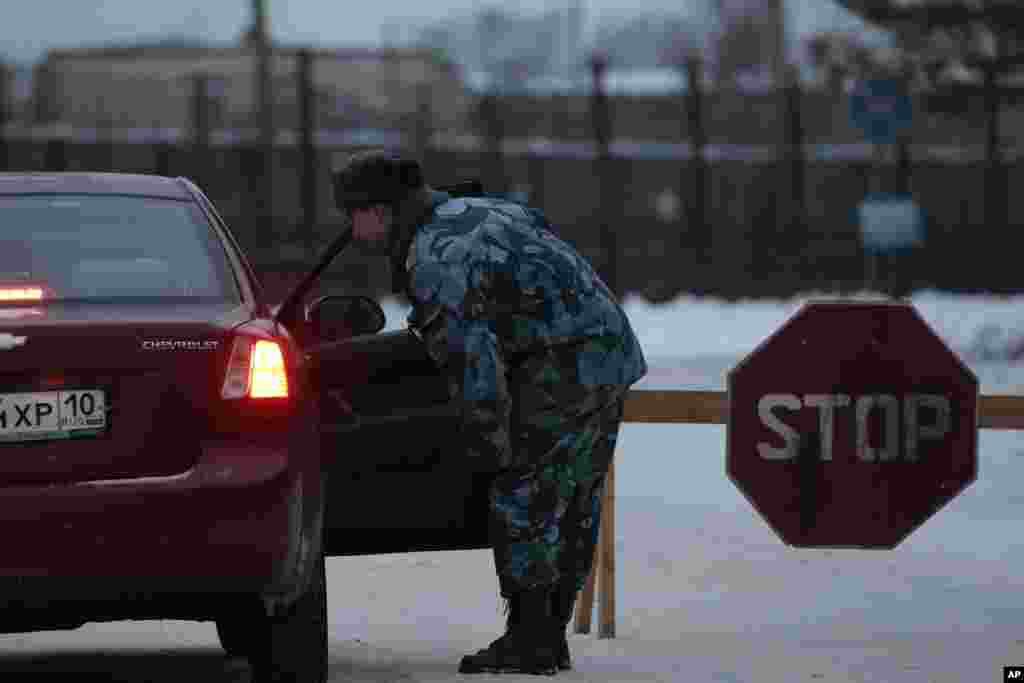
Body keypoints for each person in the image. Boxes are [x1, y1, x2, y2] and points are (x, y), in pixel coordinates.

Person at [332, 149, 647, 675]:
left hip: (560, 365)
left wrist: (485, 443)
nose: (350, 226)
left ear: (379, 212)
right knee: (574, 498)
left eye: (353, 213)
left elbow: (468, 360)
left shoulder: (436, 257)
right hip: (609, 354)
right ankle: (547, 637)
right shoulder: (480, 211)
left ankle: (531, 641)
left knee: (520, 496)